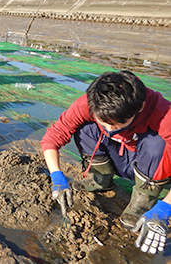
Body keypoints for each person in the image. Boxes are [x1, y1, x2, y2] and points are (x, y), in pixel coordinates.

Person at [41, 70, 171, 255]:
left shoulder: (163, 112)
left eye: (118, 124)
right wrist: (57, 177)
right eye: (104, 122)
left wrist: (166, 207)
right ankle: (101, 179)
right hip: (117, 157)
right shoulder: (90, 103)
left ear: (140, 108)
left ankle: (143, 200)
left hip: (150, 164)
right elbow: (51, 139)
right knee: (85, 128)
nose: (110, 129)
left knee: (157, 142)